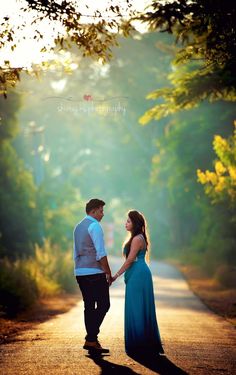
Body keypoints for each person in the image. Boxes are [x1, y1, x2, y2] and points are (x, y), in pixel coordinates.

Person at [112, 210, 164, 356]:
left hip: (139, 274)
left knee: (137, 308)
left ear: (135, 223)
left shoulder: (137, 239)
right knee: (137, 307)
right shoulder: (137, 237)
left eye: (128, 221)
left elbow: (129, 261)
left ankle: (140, 344)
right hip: (138, 273)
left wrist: (115, 275)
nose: (125, 223)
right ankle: (141, 343)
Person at [73, 198, 112, 354]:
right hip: (95, 273)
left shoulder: (78, 227)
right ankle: (91, 338)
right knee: (104, 305)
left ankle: (92, 341)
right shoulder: (95, 226)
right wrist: (108, 272)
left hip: (80, 272)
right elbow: (100, 253)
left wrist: (77, 269)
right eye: (101, 210)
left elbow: (76, 251)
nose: (103, 214)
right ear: (94, 210)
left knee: (89, 306)